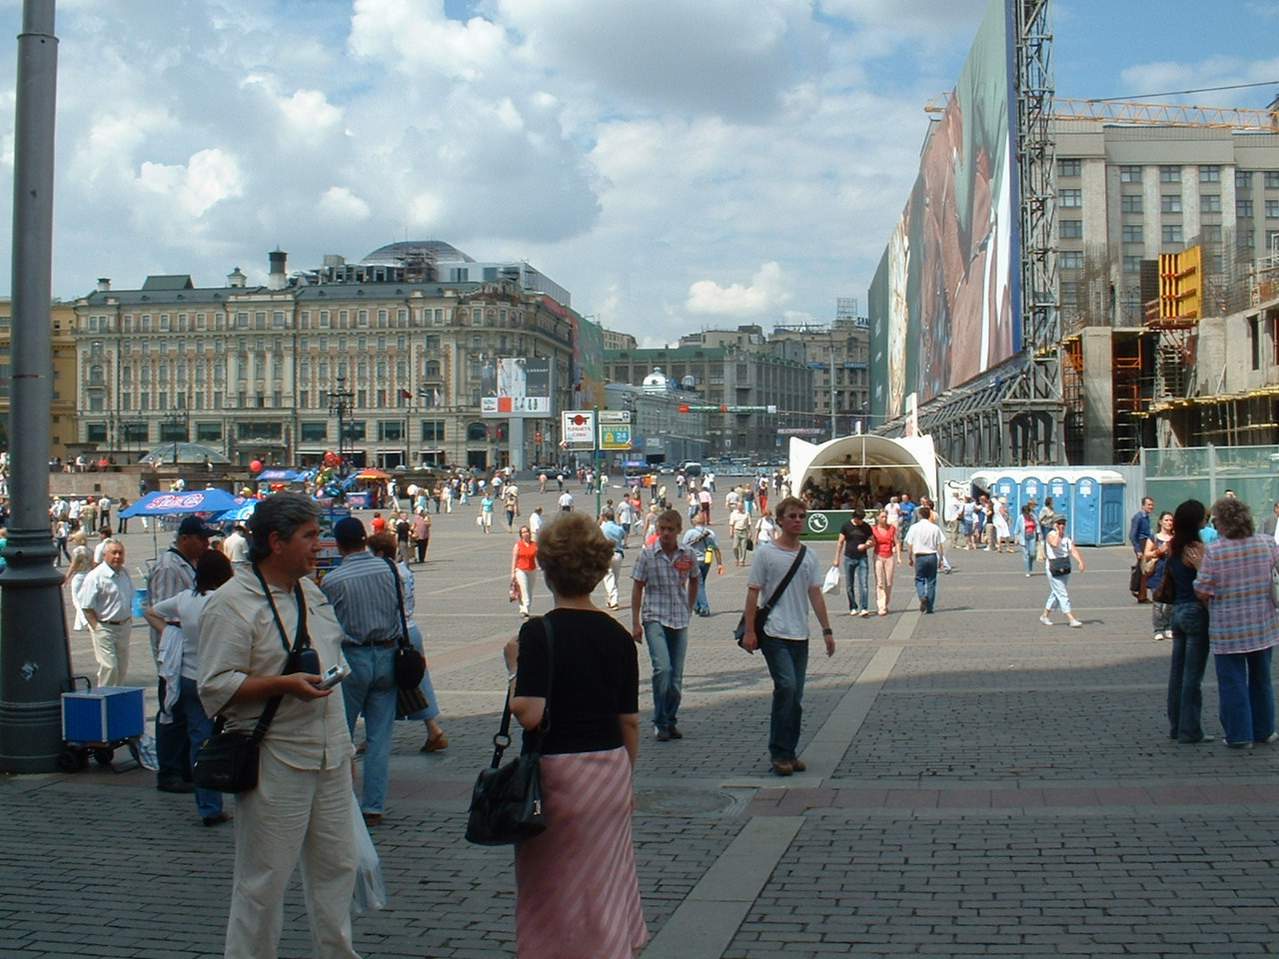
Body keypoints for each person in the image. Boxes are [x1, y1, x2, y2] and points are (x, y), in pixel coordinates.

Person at [198, 493, 360, 959]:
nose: (319, 544)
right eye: (309, 536)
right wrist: (281, 685)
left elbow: (333, 664)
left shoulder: (311, 593)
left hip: (329, 754)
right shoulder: (231, 604)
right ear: (275, 541)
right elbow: (214, 686)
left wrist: (346, 751)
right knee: (263, 880)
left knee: (338, 869)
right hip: (275, 757)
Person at [502, 513, 647, 959]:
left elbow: (529, 713)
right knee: (605, 881)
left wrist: (513, 668)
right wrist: (626, 777)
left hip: (557, 778)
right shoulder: (618, 636)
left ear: (547, 571)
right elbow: (629, 721)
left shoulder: (538, 632)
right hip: (609, 771)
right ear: (598, 571)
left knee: (551, 883)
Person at [741, 497, 834, 777]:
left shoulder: (809, 555)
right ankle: (779, 753)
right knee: (787, 687)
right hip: (774, 632)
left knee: (796, 696)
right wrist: (749, 630)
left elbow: (815, 594)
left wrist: (827, 630)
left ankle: (790, 752)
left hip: (800, 634)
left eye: (801, 516)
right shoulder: (766, 553)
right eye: (792, 516)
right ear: (780, 520)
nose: (797, 520)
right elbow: (753, 593)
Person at [321, 516, 404, 827]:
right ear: (364, 539)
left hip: (352, 658)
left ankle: (341, 801)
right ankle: (374, 806)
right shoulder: (389, 569)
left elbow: (327, 624)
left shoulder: (333, 580)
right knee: (379, 738)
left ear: (339, 544)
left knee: (342, 733)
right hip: (388, 654)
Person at [143, 550, 234, 826]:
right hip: (220, 677)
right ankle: (230, 795)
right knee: (232, 736)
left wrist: (170, 632)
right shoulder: (225, 600)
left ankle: (208, 805)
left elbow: (151, 611)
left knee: (200, 741)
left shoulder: (185, 599)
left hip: (188, 677)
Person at [1194, 497, 1279, 749]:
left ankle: (1239, 735)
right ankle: (1264, 730)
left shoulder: (1216, 551)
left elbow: (1202, 589)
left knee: (1233, 682)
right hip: (1262, 624)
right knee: (1262, 680)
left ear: (1222, 523)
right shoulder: (1266, 543)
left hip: (1228, 628)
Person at [148, 517, 214, 794]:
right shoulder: (169, 567)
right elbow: (160, 611)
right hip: (174, 655)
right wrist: (172, 635)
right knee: (172, 713)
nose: (206, 543)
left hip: (188, 654)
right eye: (202, 538)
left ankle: (185, 768)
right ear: (185, 538)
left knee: (185, 715)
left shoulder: (189, 564)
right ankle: (170, 771)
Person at [368, 533, 448, 754]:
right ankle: (432, 728)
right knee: (417, 682)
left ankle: (375, 736)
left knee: (381, 685)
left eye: (371, 553)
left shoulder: (386, 573)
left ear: (380, 553)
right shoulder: (403, 570)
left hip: (396, 633)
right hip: (410, 627)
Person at [631, 510, 698, 742]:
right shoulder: (647, 555)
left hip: (679, 618)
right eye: (663, 529)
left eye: (670, 529)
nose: (666, 533)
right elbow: (637, 587)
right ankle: (660, 722)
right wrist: (635, 622)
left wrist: (690, 607)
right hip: (655, 617)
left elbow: (695, 579)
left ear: (679, 530)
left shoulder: (687, 554)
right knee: (663, 669)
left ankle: (670, 719)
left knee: (676, 677)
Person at [1164, 500, 1211, 744]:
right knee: (1193, 676)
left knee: (1177, 673)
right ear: (1196, 521)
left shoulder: (1173, 546)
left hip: (1178, 611)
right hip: (1195, 611)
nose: (1206, 520)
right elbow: (1206, 580)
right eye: (1204, 517)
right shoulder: (1196, 548)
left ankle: (1176, 726)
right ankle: (1190, 730)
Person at [76, 539, 135, 687]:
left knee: (121, 668)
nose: (117, 556)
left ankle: (117, 695)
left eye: (120, 553)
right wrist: (97, 628)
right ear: (105, 555)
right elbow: (86, 606)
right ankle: (104, 695)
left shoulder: (125, 573)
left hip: (124, 626)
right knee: (110, 667)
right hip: (104, 627)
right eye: (114, 553)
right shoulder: (95, 576)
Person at [1040, 514, 1086, 628]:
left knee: (1056, 592)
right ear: (1054, 525)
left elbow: (1073, 550)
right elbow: (1055, 544)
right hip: (1053, 567)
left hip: (1064, 566)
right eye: (1059, 523)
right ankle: (1071, 618)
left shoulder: (1066, 537)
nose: (1062, 525)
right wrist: (1058, 532)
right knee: (1062, 593)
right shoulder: (1051, 535)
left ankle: (1045, 616)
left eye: (1063, 523)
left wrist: (1080, 561)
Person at [681, 513, 724, 617]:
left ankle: (704, 608)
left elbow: (683, 548)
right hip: (706, 561)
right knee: (700, 583)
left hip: (694, 561)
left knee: (697, 584)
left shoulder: (690, 533)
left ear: (694, 522)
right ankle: (697, 606)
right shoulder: (710, 533)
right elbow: (716, 549)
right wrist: (719, 563)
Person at [904, 506, 945, 614]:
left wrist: (910, 557)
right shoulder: (935, 528)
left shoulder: (914, 527)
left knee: (919, 579)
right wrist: (941, 559)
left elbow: (910, 544)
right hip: (932, 555)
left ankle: (922, 596)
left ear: (920, 515)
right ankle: (930, 607)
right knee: (931, 581)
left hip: (920, 556)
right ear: (929, 515)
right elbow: (940, 545)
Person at [832, 509, 873, 617]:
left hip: (862, 558)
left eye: (862, 519)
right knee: (849, 585)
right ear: (854, 518)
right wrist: (836, 558)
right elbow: (840, 542)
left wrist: (866, 545)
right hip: (849, 558)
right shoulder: (846, 526)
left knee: (864, 584)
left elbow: (873, 541)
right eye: (859, 519)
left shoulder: (866, 527)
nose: (861, 522)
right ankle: (853, 607)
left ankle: (864, 608)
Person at [1143, 511, 1175, 641]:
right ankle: (1158, 629)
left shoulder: (1175, 538)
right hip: (1157, 573)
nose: (1169, 523)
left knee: (1170, 604)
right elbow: (1146, 554)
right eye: (1166, 520)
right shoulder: (1154, 538)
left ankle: (1168, 627)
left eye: (1171, 520)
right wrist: (1158, 551)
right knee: (1158, 604)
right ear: (1160, 522)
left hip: (1172, 574)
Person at [870, 510, 899, 616]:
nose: (885, 519)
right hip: (878, 556)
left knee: (889, 582)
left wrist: (899, 557)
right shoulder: (873, 529)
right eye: (882, 517)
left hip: (889, 556)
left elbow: (896, 542)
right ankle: (881, 606)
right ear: (877, 518)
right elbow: (871, 541)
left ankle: (886, 603)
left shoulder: (891, 528)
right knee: (880, 582)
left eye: (886, 517)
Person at [599, 509, 626, 610]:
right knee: (615, 577)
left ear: (605, 517)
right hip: (618, 554)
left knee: (608, 577)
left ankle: (614, 601)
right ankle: (611, 599)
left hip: (606, 554)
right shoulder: (619, 528)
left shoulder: (602, 528)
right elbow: (623, 536)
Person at [1130, 496, 1155, 603]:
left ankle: (1142, 595)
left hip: (1147, 542)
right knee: (1143, 569)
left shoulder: (1146, 517)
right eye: (1149, 505)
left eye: (1152, 505)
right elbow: (1132, 535)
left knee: (1144, 570)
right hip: (1142, 543)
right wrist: (1138, 550)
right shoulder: (1138, 517)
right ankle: (1137, 590)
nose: (1151, 507)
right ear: (1143, 505)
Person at [511, 524, 539, 618]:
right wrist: (513, 573)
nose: (525, 534)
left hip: (532, 569)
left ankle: (524, 608)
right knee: (524, 589)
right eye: (523, 532)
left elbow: (538, 556)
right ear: (521, 535)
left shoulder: (534, 544)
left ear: (529, 533)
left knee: (529, 590)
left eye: (526, 532)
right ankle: (525, 609)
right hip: (521, 570)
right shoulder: (518, 545)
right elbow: (514, 559)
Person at [64, 545, 93, 632]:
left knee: (76, 601)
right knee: (83, 599)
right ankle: (78, 625)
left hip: (79, 576)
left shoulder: (77, 551)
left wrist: (66, 578)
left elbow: (73, 566)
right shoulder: (90, 550)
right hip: (88, 575)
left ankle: (86, 621)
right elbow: (93, 564)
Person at [728, 500, 751, 566]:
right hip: (736, 531)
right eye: (738, 506)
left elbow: (748, 524)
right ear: (737, 506)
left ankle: (742, 560)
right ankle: (737, 558)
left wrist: (750, 532)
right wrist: (731, 532)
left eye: (741, 506)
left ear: (743, 506)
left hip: (744, 531)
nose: (740, 507)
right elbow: (731, 524)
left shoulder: (746, 513)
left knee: (743, 547)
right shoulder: (733, 514)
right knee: (735, 547)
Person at [1018, 504, 1038, 576]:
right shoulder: (1020, 518)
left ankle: (1030, 565)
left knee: (1032, 553)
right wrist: (1016, 537)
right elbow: (1017, 528)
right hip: (1024, 537)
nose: (1026, 515)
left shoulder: (1033, 517)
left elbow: (1037, 525)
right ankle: (1027, 571)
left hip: (1032, 536)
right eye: (1025, 513)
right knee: (1026, 554)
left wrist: (1039, 534)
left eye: (1027, 513)